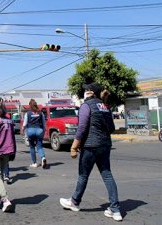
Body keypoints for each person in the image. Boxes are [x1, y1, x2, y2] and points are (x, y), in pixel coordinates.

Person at [59, 83, 122, 222]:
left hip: (90, 146)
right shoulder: (105, 106)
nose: (84, 92)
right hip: (105, 145)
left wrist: (74, 147)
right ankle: (115, 209)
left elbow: (81, 127)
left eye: (86, 90)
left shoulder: (86, 106)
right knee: (107, 175)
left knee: (83, 175)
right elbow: (111, 127)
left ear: (90, 92)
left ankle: (74, 202)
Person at [22, 99, 47, 169]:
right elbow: (44, 123)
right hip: (39, 130)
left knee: (32, 147)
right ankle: (43, 157)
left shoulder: (28, 113)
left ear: (30, 105)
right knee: (39, 146)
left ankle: (34, 163)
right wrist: (44, 130)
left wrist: (22, 129)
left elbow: (25, 123)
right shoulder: (40, 113)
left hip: (30, 131)